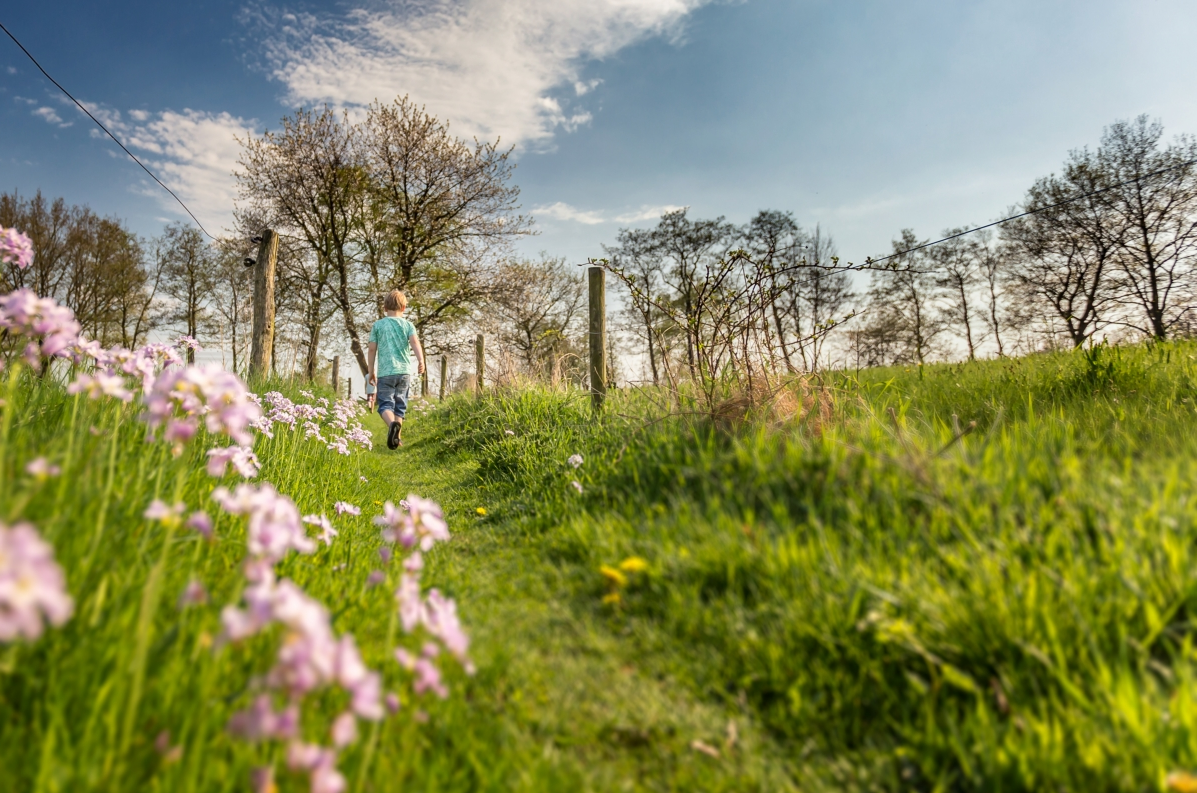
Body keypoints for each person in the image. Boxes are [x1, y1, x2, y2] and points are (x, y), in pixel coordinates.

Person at [367, 290, 425, 449]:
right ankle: (396, 439)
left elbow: (372, 350)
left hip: (386, 373)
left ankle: (392, 424)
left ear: (385, 308)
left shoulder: (378, 325)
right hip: (404, 372)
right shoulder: (408, 325)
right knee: (400, 405)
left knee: (385, 405)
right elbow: (415, 343)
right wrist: (421, 360)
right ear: (404, 308)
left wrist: (371, 371)